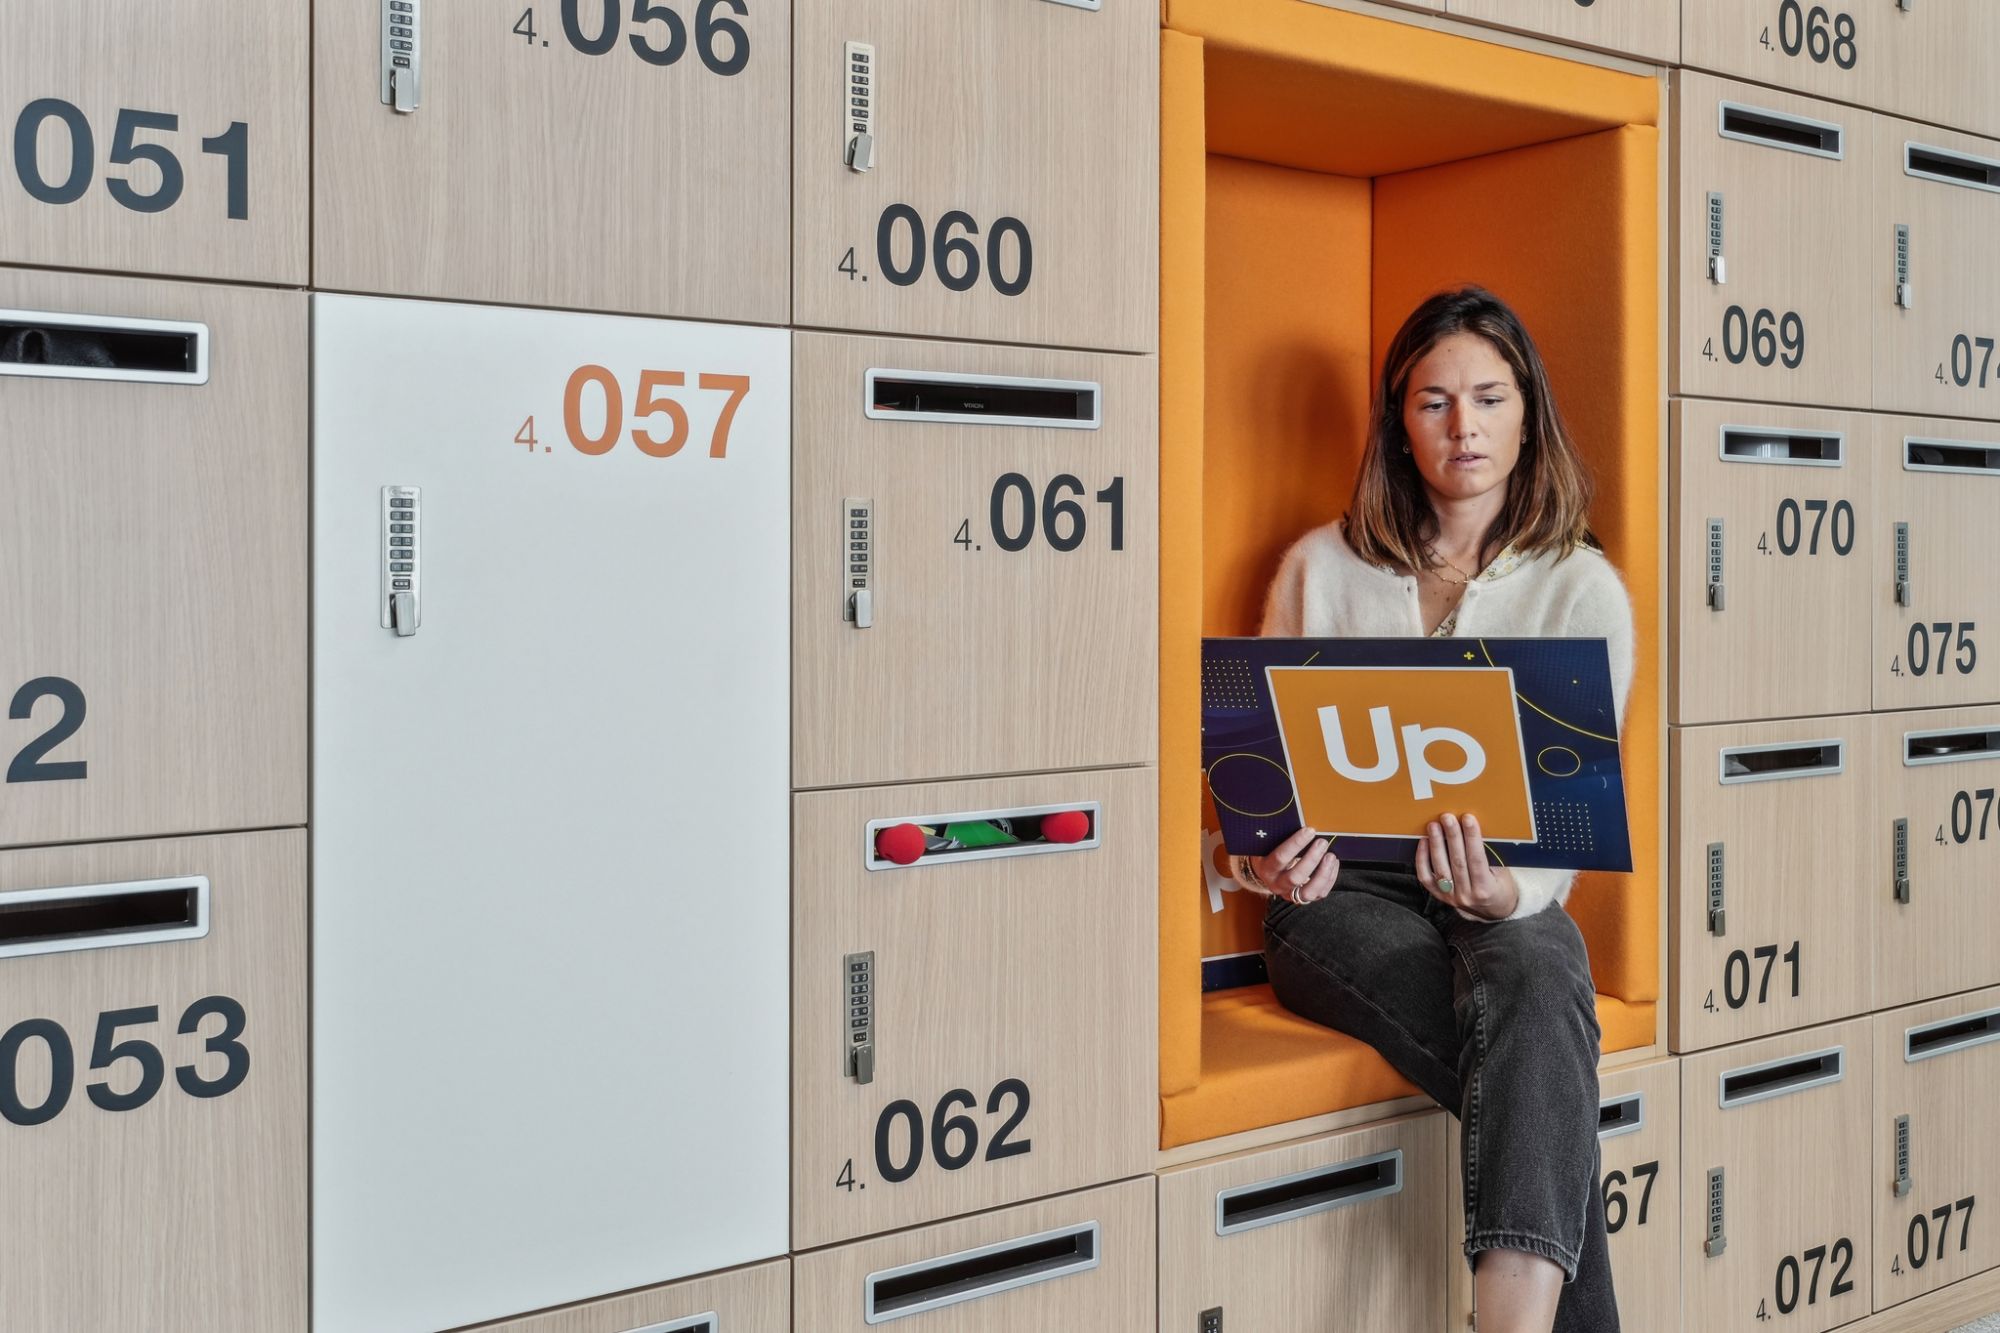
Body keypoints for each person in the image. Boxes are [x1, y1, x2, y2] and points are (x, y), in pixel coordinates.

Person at [1230, 285, 1636, 1333]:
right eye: (1433, 402)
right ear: (1397, 422)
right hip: (1342, 900)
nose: (1464, 427)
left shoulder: (1583, 590)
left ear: (1527, 416)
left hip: (1496, 892)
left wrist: (1506, 891)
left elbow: (1560, 832)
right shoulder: (1318, 567)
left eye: (1490, 398)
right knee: (1541, 1052)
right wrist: (1267, 860)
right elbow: (1251, 797)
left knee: (1535, 974)